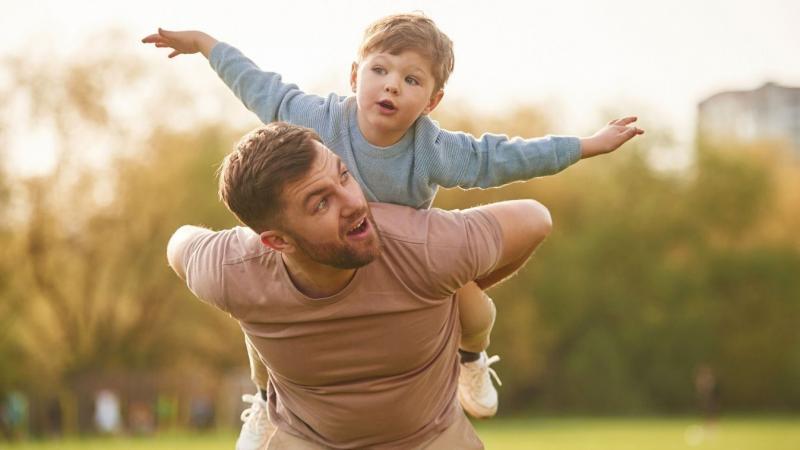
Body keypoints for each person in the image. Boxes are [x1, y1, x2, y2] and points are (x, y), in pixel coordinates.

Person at [145, 12, 644, 447]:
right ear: (355, 74)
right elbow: (259, 86)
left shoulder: (434, 149)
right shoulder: (316, 119)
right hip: (328, 256)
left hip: (407, 261)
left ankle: (470, 359)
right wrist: (206, 44)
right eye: (380, 70)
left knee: (477, 308)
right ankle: (266, 401)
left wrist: (586, 145)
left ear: (432, 100)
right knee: (260, 330)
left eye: (411, 80)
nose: (391, 86)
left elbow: (504, 158)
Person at [167, 122, 563, 448]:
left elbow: (535, 219)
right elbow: (178, 246)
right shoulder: (232, 269)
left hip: (431, 438)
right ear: (277, 241)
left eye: (344, 175)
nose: (355, 203)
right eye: (321, 203)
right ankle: (265, 398)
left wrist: (450, 290)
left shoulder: (423, 246)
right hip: (306, 439)